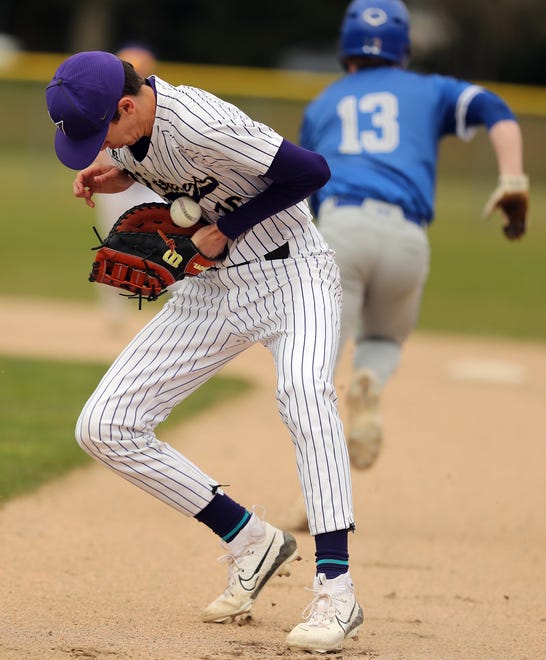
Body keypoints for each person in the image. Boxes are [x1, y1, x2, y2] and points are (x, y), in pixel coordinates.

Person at [45, 50, 364, 653]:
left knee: (303, 395)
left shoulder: (202, 121)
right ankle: (250, 540)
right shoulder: (135, 130)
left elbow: (311, 171)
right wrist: (120, 171)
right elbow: (158, 160)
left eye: (98, 131)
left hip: (292, 275)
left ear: (127, 104)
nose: (95, 145)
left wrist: (230, 225)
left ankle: (336, 590)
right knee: (105, 425)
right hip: (208, 291)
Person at [299, 0, 528, 473]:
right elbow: (495, 109)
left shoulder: (323, 102)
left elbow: (302, 185)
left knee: (313, 373)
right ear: (404, 47)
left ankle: (318, 493)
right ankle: (371, 381)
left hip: (340, 230)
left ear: (346, 46)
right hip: (406, 236)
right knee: (382, 338)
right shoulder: (429, 89)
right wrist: (511, 178)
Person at [93, 44, 164, 325]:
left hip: (149, 185)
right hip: (116, 184)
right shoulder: (107, 103)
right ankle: (113, 312)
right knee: (113, 244)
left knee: (167, 241)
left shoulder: (150, 103)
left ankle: (183, 302)